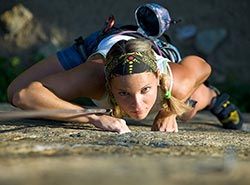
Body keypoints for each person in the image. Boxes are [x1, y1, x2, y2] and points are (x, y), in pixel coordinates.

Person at [7, 3, 243, 134]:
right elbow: (23, 94)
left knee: (186, 108)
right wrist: (92, 117)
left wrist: (169, 112)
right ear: (108, 84)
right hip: (97, 46)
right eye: (123, 94)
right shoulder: (93, 76)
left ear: (159, 77)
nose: (137, 107)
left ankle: (212, 97)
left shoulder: (174, 81)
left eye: (145, 91)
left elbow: (203, 67)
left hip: (155, 54)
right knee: (13, 90)